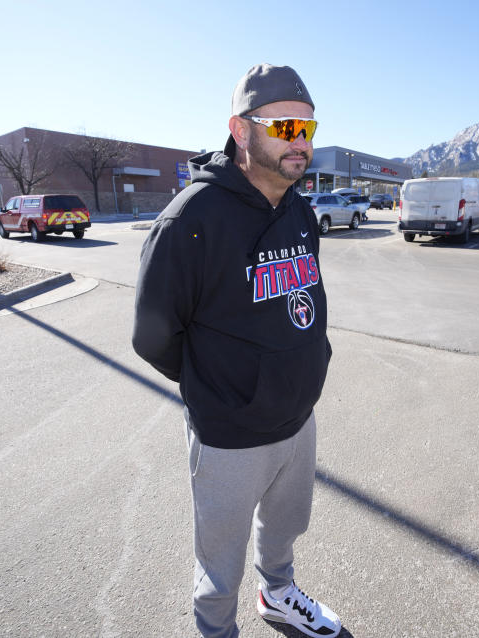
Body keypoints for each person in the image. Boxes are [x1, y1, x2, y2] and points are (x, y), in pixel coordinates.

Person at [132, 64, 341, 638]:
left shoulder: (299, 208)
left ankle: (277, 596)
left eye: (307, 127)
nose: (300, 141)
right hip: (229, 434)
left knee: (285, 530)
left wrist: (305, 367)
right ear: (241, 131)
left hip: (297, 419)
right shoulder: (191, 219)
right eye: (284, 127)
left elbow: (305, 299)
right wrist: (223, 385)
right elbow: (153, 335)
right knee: (219, 569)